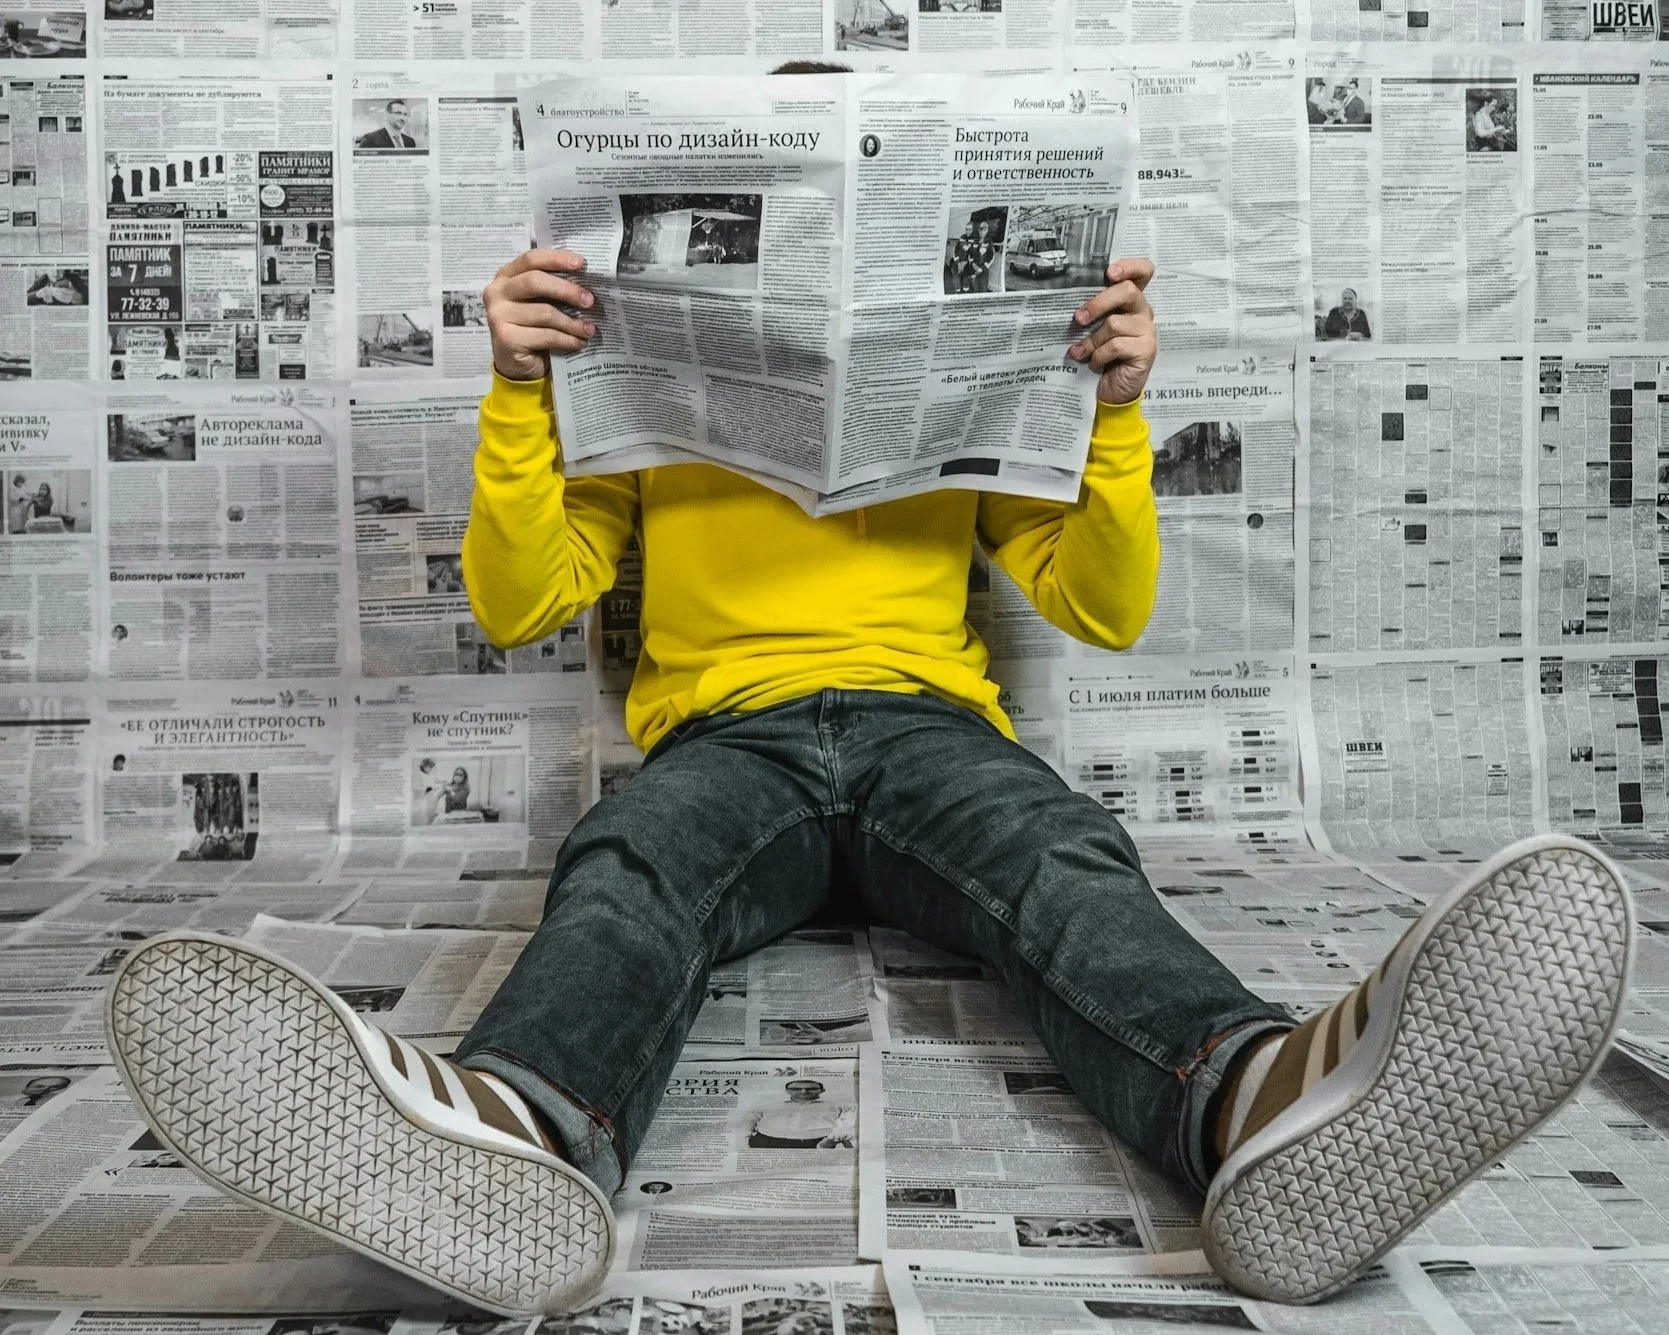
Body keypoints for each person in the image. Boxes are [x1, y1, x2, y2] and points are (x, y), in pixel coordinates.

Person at [105, 59, 1635, 1324]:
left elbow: (1100, 606)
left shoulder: (980, 368)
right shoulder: (642, 390)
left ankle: (1252, 1104)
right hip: (727, 737)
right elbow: (524, 595)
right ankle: (512, 1132)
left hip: (926, 729)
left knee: (1057, 854)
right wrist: (519, 393)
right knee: (631, 869)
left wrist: (1111, 414)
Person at [747, 1079, 855, 1148]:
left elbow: (848, 1125)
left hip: (816, 1143)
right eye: (796, 1088)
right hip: (766, 1142)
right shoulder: (768, 1103)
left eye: (811, 1088)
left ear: (822, 1090)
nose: (803, 1091)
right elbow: (747, 1123)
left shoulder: (839, 1105)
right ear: (786, 1090)